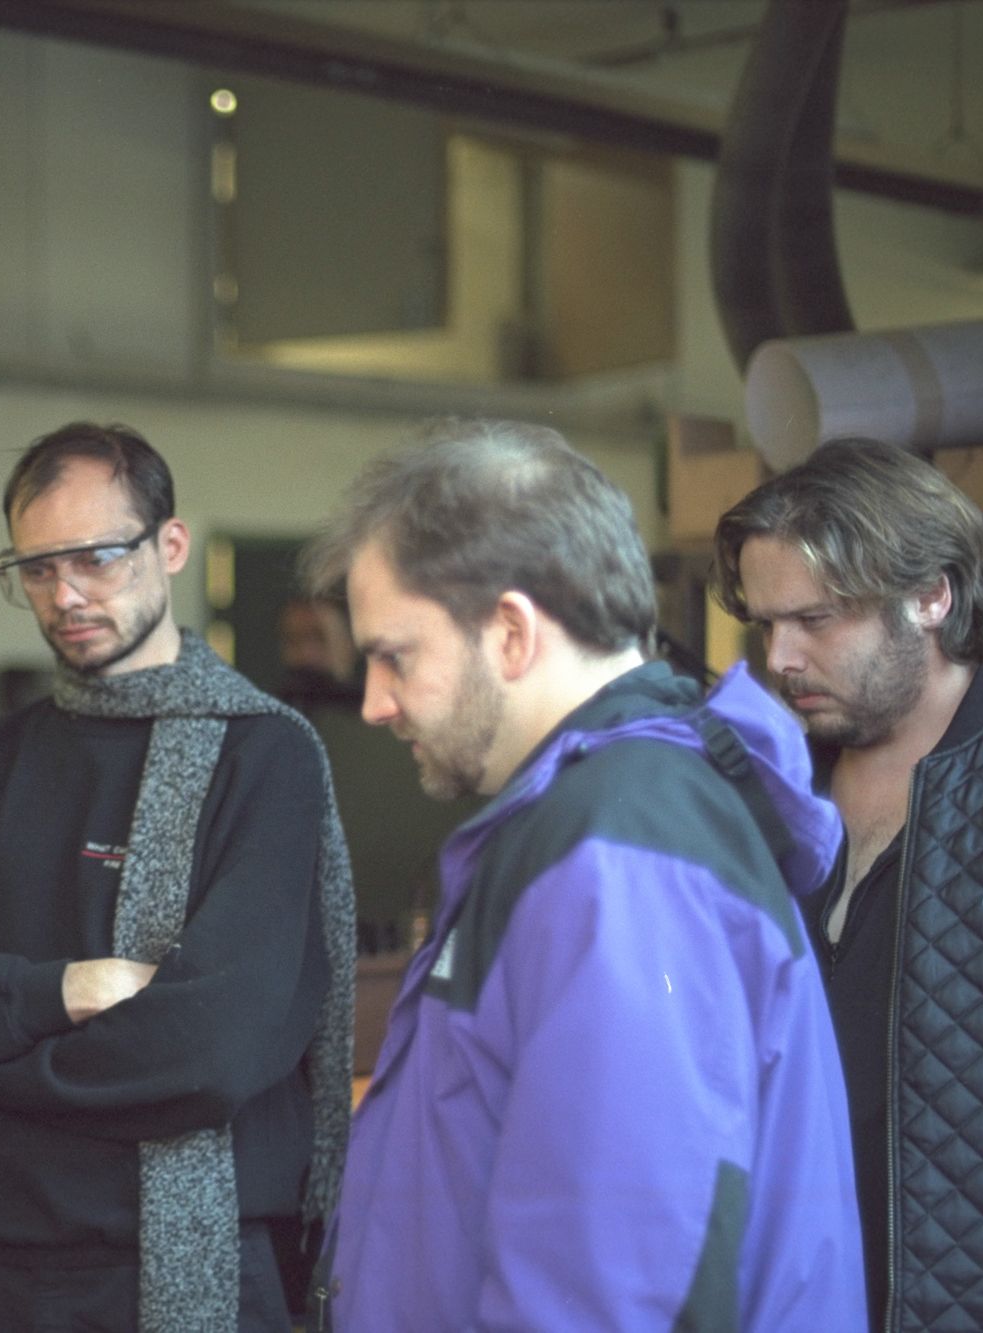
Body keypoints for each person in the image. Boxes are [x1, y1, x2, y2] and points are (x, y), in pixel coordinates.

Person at [309, 418, 865, 1331]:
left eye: (394, 655)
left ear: (513, 632)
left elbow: (614, 1284)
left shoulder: (622, 850)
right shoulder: (587, 825)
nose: (372, 701)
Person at [0, 421, 355, 1332]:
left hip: (183, 1278)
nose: (65, 594)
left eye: (98, 558)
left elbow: (207, 1054)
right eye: (35, 569)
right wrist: (58, 991)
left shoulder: (261, 756)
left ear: (170, 545)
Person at [715, 437, 983, 1332]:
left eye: (817, 618)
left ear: (932, 595)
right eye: (766, 624)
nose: (783, 658)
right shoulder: (754, 792)